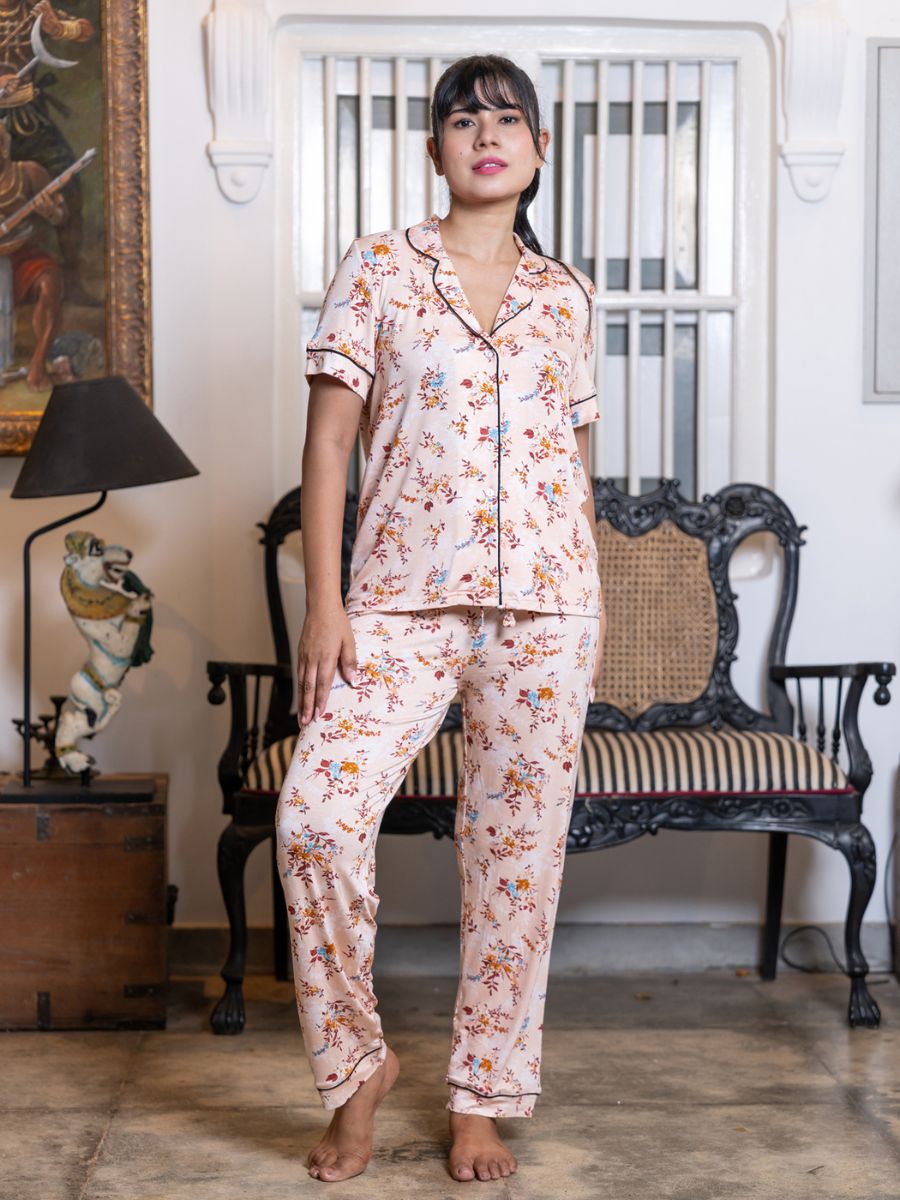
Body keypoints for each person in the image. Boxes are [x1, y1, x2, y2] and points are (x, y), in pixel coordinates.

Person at [275, 53, 607, 1185]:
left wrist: (591, 603)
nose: (487, 135)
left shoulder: (567, 294)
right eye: (465, 120)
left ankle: (483, 1100)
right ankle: (356, 1069)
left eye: (509, 119)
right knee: (315, 819)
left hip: (548, 609)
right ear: (436, 150)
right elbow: (328, 444)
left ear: (539, 150)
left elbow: (576, 459)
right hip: (397, 602)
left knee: (517, 858)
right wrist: (325, 605)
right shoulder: (378, 268)